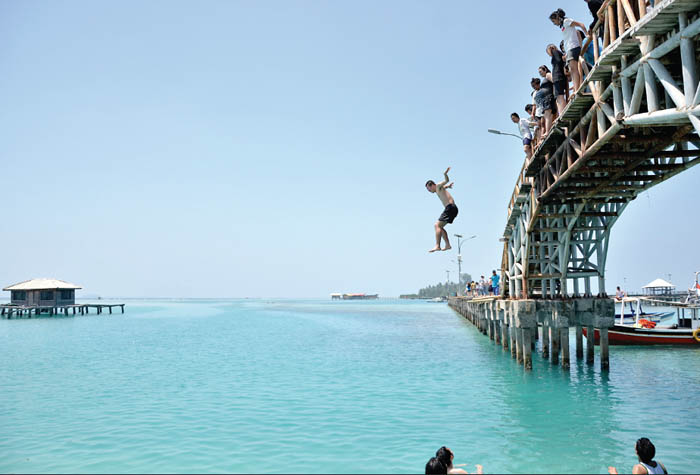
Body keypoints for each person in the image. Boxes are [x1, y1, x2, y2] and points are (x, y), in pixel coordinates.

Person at [549, 9, 588, 95]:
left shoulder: (566, 21)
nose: (554, 23)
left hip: (573, 47)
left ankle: (577, 89)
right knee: (572, 69)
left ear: (557, 17)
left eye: (553, 21)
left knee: (574, 69)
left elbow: (580, 24)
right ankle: (576, 88)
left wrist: (587, 34)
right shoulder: (563, 26)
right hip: (569, 49)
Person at [425, 167, 458, 253]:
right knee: (440, 227)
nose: (429, 191)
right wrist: (448, 186)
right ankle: (447, 245)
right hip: (452, 209)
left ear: (432, 185)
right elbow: (444, 187)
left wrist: (445, 174)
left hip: (450, 208)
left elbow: (446, 181)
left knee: (436, 225)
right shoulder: (439, 189)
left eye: (429, 189)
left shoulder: (438, 186)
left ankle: (437, 246)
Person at [546, 44, 568, 115]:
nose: (549, 55)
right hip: (560, 76)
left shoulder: (555, 52)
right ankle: (562, 112)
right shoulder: (560, 53)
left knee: (559, 97)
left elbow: (558, 61)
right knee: (560, 97)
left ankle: (562, 113)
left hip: (557, 76)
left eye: (548, 52)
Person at [537, 66, 556, 136]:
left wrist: (554, 94)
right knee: (547, 115)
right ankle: (548, 130)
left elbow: (554, 82)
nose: (540, 73)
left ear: (545, 70)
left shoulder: (548, 75)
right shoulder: (546, 77)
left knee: (547, 115)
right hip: (546, 100)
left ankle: (547, 131)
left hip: (548, 98)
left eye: (540, 71)